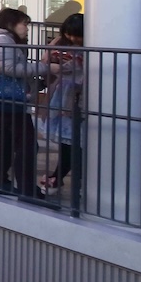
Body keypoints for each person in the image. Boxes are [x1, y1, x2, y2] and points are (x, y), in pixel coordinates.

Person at [0, 7, 53, 198]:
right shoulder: (2, 39)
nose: (27, 28)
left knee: (3, 142)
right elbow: (10, 68)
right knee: (27, 144)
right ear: (11, 23)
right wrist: (45, 67)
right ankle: (26, 188)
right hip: (8, 99)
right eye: (24, 24)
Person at [43, 13, 85, 192]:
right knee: (68, 142)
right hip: (66, 95)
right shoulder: (65, 45)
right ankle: (60, 177)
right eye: (69, 35)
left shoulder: (82, 49)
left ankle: (59, 177)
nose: (73, 39)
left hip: (77, 96)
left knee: (74, 142)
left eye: (77, 35)